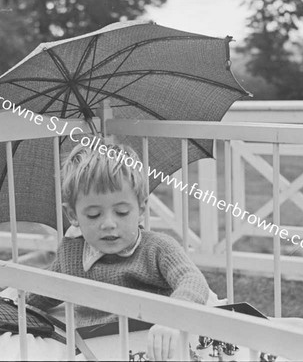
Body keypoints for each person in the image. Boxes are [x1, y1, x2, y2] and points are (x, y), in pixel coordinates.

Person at [27, 142, 211, 360]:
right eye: (94, 215)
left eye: (122, 212)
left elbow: (193, 280)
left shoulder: (158, 247)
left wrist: (173, 317)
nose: (108, 224)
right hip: (95, 346)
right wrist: (9, 298)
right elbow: (43, 291)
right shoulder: (71, 254)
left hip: (155, 340)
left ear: (141, 209)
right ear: (72, 215)